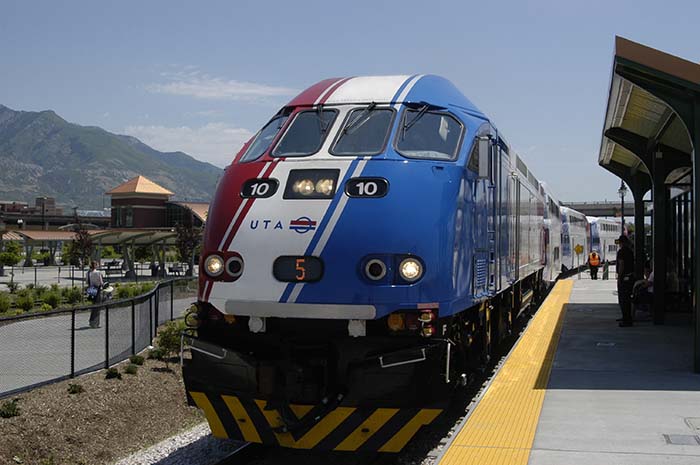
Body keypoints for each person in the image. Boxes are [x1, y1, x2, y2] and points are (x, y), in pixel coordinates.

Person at [616, 235, 635, 327]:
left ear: (621, 242)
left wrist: (619, 277)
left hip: (624, 278)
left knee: (623, 300)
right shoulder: (630, 251)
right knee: (627, 299)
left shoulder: (621, 251)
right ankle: (626, 317)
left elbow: (621, 264)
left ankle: (627, 320)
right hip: (630, 277)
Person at [87, 261, 104, 328]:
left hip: (91, 289)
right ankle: (96, 323)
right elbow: (101, 282)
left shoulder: (88, 273)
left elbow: (87, 282)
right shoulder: (98, 273)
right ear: (96, 265)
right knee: (98, 306)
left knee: (93, 305)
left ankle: (91, 321)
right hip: (97, 289)